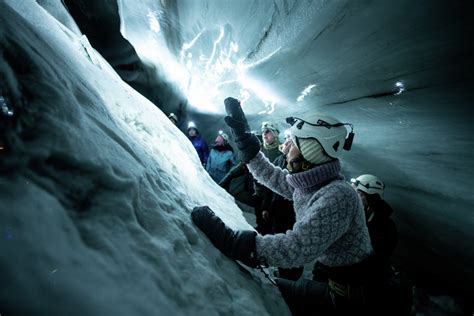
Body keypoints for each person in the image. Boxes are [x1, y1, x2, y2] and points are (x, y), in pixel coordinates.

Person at [191, 97, 406, 315]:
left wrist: (232, 241)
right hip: (340, 290)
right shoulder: (314, 183)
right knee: (269, 290)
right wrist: (247, 144)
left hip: (355, 302)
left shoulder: (338, 195)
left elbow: (296, 247)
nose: (285, 148)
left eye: (292, 142)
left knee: (270, 295)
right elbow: (275, 177)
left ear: (310, 151)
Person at [350, 174, 398, 264]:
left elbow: (380, 256)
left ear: (372, 199)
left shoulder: (386, 228)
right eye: (354, 192)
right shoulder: (352, 216)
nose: (355, 197)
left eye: (359, 194)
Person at [253, 122, 281, 235]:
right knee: (261, 220)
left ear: (275, 134)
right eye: (263, 132)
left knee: (273, 221)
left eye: (268, 131)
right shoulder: (259, 151)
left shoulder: (282, 150)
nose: (264, 134)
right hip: (259, 192)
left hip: (275, 194)